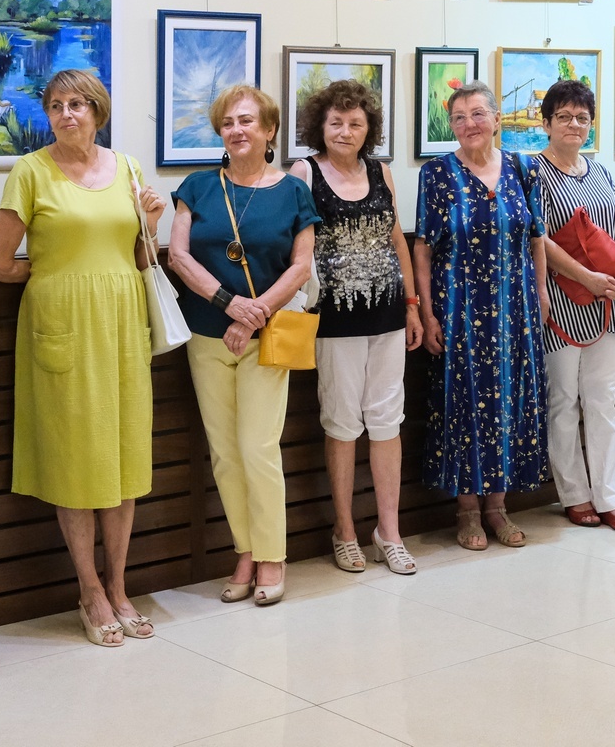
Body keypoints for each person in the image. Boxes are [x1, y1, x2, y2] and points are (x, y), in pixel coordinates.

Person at [0, 69, 166, 646]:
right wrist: (57, 277)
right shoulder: (30, 171)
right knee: (75, 461)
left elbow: (140, 257)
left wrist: (151, 225)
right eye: (57, 105)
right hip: (61, 326)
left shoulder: (129, 168)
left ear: (97, 112)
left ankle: (119, 586)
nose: (67, 114)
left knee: (124, 458)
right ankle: (89, 591)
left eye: (78, 104)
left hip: (123, 326)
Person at [167, 86, 318, 606]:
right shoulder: (197, 187)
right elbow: (179, 256)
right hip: (206, 335)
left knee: (258, 448)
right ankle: (246, 551)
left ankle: (273, 555)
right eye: (228, 122)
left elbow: (301, 267)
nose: (236, 130)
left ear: (269, 130)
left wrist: (255, 317)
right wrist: (230, 304)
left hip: (267, 338)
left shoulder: (294, 191)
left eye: (247, 121)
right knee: (226, 454)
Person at [288, 80, 422, 575]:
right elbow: (295, 245)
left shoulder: (381, 171)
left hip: (388, 315)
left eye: (355, 123)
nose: (345, 131)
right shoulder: (304, 172)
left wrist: (412, 306)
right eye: (336, 123)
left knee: (387, 421)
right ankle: (344, 530)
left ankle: (389, 531)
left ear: (369, 130)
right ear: (320, 126)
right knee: (342, 423)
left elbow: (397, 241)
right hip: (333, 321)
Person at [414, 81, 549, 551]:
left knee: (509, 403)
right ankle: (468, 511)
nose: (469, 123)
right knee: (464, 406)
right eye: (459, 117)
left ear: (495, 118)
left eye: (477, 114)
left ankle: (498, 507)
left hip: (515, 311)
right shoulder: (436, 174)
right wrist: (427, 312)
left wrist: (541, 293)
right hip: (459, 311)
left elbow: (536, 237)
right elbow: (422, 247)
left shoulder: (524, 168)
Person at [532, 79, 615, 532]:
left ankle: (612, 498)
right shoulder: (532, 172)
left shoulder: (600, 172)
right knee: (562, 400)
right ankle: (574, 495)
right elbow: (539, 239)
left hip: (607, 303)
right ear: (546, 123)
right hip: (560, 301)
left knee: (602, 400)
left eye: (582, 118)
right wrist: (586, 277)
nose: (573, 125)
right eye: (563, 117)